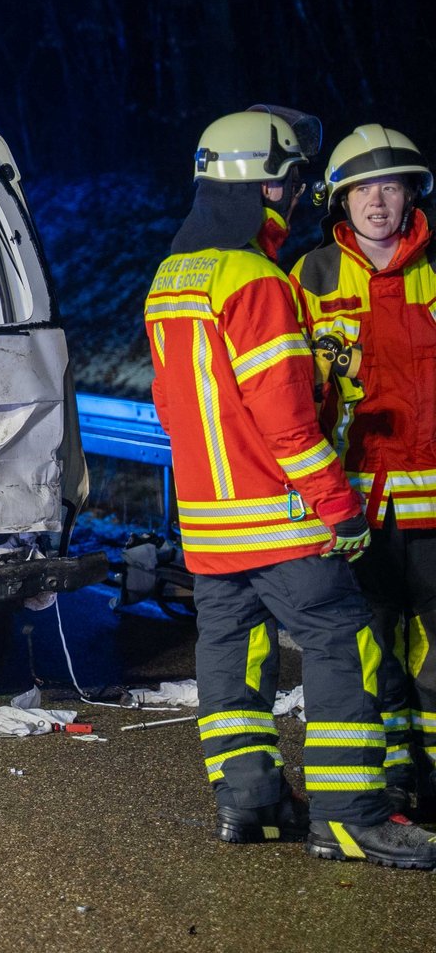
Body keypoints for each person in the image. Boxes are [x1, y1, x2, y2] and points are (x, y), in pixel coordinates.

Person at [146, 110, 435, 868]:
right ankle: (349, 816)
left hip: (210, 526)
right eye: (293, 176)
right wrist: (341, 509)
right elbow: (286, 422)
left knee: (232, 657)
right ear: (264, 182)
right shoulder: (258, 279)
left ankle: (250, 804)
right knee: (347, 647)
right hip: (279, 521)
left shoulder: (172, 275)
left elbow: (173, 406)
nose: (299, 191)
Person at [292, 124, 436, 820]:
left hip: (434, 506)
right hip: (355, 508)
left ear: (412, 193)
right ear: (338, 200)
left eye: (391, 184)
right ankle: (393, 778)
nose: (377, 201)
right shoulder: (310, 277)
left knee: (434, 653)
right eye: (361, 189)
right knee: (371, 649)